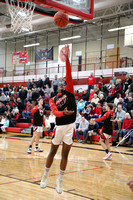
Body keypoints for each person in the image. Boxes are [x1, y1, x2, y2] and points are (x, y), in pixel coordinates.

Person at [40, 45, 76, 194]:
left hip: (70, 126)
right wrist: (64, 113)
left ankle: (60, 180)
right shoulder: (53, 99)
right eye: (60, 83)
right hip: (60, 126)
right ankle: (45, 175)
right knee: (52, 152)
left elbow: (68, 73)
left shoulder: (71, 91)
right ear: (57, 88)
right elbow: (54, 112)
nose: (62, 83)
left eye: (64, 82)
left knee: (65, 154)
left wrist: (67, 59)